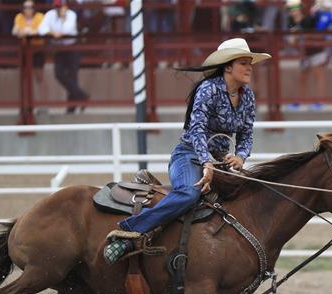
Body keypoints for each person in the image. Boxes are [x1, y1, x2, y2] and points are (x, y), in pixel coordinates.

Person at [104, 38, 271, 264]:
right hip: (189, 155)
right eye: (243, 62)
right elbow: (197, 128)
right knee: (188, 193)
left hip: (221, 162)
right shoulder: (208, 89)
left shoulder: (247, 96)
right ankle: (129, 231)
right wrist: (206, 161)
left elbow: (246, 133)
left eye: (250, 62)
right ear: (228, 66)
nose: (249, 67)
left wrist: (240, 156)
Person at [38, 0, 89, 113]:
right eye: (57, 7)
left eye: (61, 7)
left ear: (65, 7)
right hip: (59, 48)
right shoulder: (50, 14)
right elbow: (41, 30)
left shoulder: (71, 15)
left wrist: (61, 19)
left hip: (72, 47)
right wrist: (52, 33)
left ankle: (71, 107)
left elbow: (66, 30)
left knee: (73, 76)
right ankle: (82, 95)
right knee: (58, 74)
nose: (59, 9)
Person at [286, 0, 330, 111]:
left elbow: (317, 34)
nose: (293, 11)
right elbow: (293, 40)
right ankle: (299, 102)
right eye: (291, 9)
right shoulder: (290, 21)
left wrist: (302, 38)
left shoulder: (311, 19)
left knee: (318, 75)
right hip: (304, 53)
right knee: (302, 77)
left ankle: (320, 103)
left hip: (316, 51)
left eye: (295, 8)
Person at [13, 1, 46, 84]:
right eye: (25, 7)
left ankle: (43, 97)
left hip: (37, 50)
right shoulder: (19, 17)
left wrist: (26, 32)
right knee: (24, 76)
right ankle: (25, 97)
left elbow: (41, 31)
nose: (28, 10)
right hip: (24, 50)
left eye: (30, 7)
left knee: (39, 76)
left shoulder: (39, 16)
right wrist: (29, 32)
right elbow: (15, 31)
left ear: (34, 8)